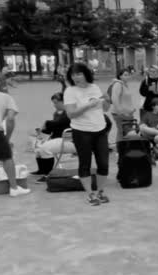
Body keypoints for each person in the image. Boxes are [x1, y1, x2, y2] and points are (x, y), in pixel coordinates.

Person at [63, 63, 111, 206]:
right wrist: (87, 106)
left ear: (85, 74)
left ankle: (100, 191)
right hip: (81, 131)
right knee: (85, 163)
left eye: (78, 73)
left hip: (100, 129)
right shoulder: (70, 91)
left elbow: (105, 108)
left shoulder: (94, 87)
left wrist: (107, 100)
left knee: (103, 163)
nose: (75, 77)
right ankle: (90, 194)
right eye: (73, 74)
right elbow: (71, 114)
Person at [31, 92, 73, 182]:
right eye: (53, 103)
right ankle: (41, 170)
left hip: (69, 140)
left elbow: (56, 124)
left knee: (45, 148)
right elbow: (53, 127)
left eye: (56, 102)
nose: (54, 105)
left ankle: (48, 174)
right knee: (37, 145)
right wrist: (41, 134)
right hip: (59, 138)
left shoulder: (70, 112)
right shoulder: (57, 114)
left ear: (64, 102)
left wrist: (46, 124)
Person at [110, 68, 136, 143]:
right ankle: (119, 150)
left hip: (128, 114)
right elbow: (114, 98)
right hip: (121, 114)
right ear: (120, 76)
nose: (127, 77)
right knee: (122, 132)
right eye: (125, 75)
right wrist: (121, 112)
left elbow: (126, 100)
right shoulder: (118, 84)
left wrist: (132, 109)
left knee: (125, 132)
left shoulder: (125, 85)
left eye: (128, 75)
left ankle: (123, 149)